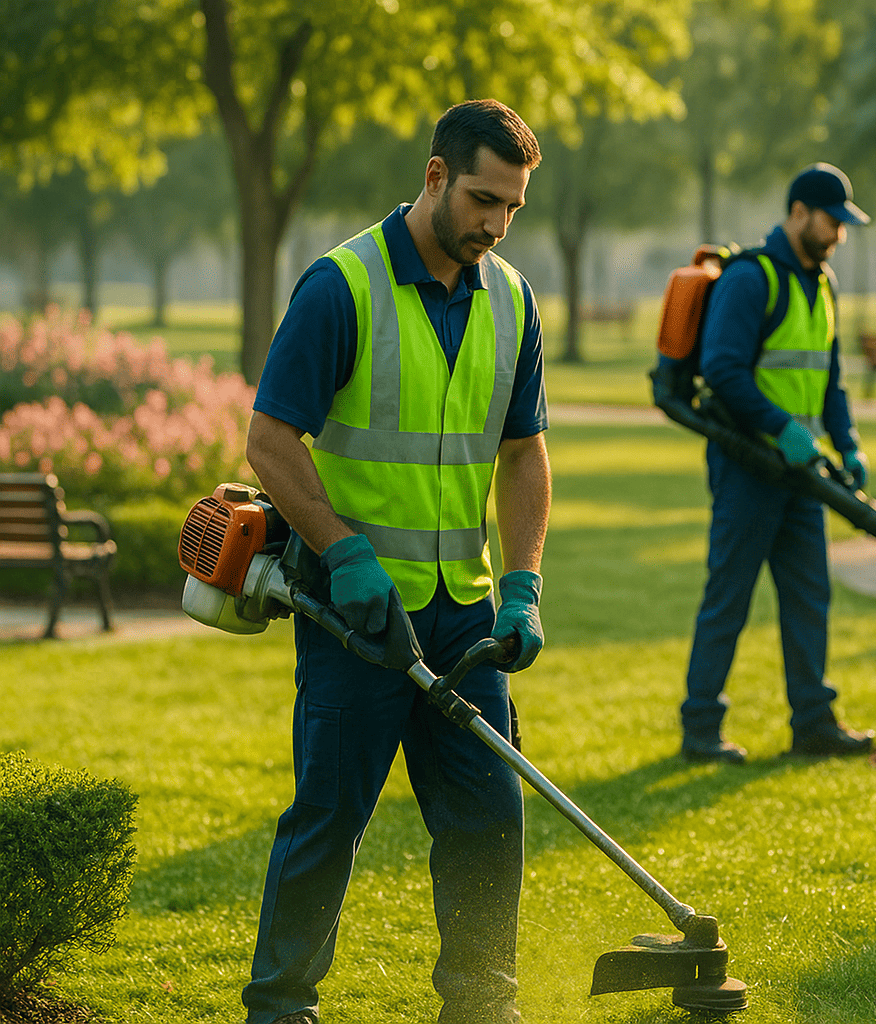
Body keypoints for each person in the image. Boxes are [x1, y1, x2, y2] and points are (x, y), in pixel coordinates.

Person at [240, 99, 549, 1024]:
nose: (495, 225)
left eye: (513, 208)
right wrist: (342, 552)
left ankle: (481, 1003)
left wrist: (525, 581)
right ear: (435, 176)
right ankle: (280, 1006)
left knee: (490, 819)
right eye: (485, 200)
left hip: (466, 614)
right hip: (357, 616)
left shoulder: (514, 298)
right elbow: (268, 439)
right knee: (327, 822)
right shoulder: (343, 286)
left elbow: (524, 449)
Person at [680, 163, 875, 764]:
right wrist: (782, 431)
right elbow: (723, 370)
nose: (839, 233)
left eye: (844, 224)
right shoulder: (751, 279)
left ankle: (813, 722)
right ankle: (701, 730)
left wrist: (847, 443)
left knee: (809, 595)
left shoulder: (823, 285)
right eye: (831, 220)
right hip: (749, 468)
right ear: (798, 213)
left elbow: (829, 380)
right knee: (729, 597)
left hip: (801, 472)